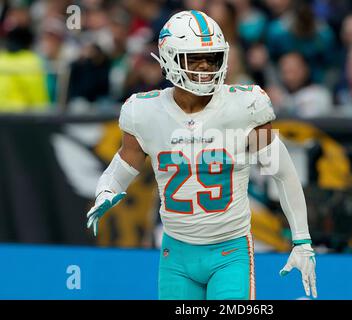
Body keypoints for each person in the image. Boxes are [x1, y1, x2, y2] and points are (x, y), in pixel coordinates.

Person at [86, 10, 317, 300]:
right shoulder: (144, 113)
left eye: (213, 58)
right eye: (195, 58)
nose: (206, 66)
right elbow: (123, 163)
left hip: (230, 250)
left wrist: (302, 241)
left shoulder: (244, 106)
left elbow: (283, 173)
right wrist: (108, 187)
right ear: (169, 57)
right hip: (176, 253)